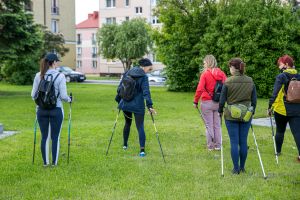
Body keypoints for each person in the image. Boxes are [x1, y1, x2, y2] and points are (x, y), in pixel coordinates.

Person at [31, 53, 72, 166]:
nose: (58, 63)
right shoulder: (60, 76)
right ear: (53, 62)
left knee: (44, 137)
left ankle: (45, 163)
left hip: (41, 110)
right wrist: (70, 99)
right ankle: (54, 163)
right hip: (56, 110)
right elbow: (63, 96)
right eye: (57, 61)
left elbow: (33, 95)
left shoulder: (38, 75)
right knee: (55, 137)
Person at [218, 58, 257, 174]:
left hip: (231, 116)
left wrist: (220, 111)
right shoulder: (250, 81)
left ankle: (236, 169)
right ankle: (242, 167)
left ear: (234, 68)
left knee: (234, 142)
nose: (229, 69)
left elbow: (222, 100)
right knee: (243, 141)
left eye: (230, 67)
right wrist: (252, 111)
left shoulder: (228, 82)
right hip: (246, 115)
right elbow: (254, 100)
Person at [115, 58, 156, 157]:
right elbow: (146, 92)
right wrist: (149, 106)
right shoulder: (144, 77)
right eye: (149, 69)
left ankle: (125, 145)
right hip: (138, 106)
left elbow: (119, 88)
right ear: (144, 67)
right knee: (140, 126)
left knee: (127, 123)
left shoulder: (128, 72)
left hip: (125, 104)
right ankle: (142, 151)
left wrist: (118, 100)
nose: (148, 71)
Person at [268, 55, 300, 162]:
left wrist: (270, 106)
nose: (279, 67)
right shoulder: (299, 75)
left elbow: (275, 92)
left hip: (282, 109)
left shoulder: (281, 76)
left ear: (286, 64)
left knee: (280, 131)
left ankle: (278, 151)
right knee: (297, 132)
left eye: (280, 64)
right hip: (297, 109)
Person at [193, 55, 227, 151]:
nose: (203, 64)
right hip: (218, 102)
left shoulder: (205, 74)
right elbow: (227, 87)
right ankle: (218, 145)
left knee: (209, 125)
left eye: (204, 62)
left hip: (206, 102)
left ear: (208, 62)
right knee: (217, 125)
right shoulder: (221, 73)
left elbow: (200, 89)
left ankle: (210, 146)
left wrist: (195, 101)